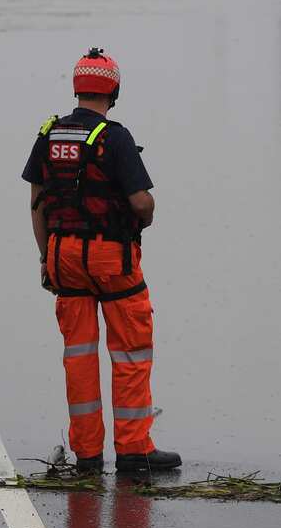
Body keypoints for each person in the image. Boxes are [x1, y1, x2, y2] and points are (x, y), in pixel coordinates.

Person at [23, 47, 181, 473]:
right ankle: (133, 450)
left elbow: (37, 205)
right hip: (111, 261)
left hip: (62, 259)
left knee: (78, 355)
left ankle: (87, 455)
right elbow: (141, 201)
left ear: (77, 88)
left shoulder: (49, 134)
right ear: (113, 91)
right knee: (130, 351)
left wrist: (45, 258)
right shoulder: (116, 138)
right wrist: (144, 218)